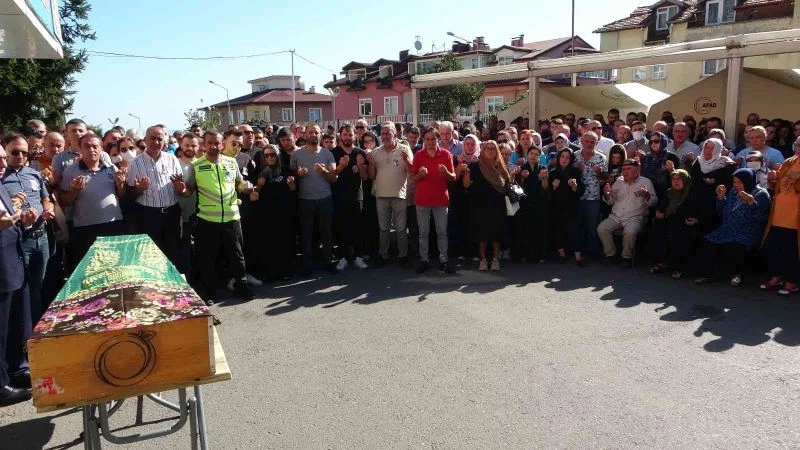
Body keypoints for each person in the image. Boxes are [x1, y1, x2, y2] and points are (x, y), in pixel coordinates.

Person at [185, 131, 257, 304]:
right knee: (207, 257)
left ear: (222, 144)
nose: (213, 146)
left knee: (237, 255)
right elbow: (189, 190)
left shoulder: (231, 162)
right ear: (204, 144)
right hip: (207, 220)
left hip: (232, 218)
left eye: (216, 143)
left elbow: (239, 184)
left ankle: (242, 287)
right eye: (209, 143)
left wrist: (247, 188)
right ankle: (209, 292)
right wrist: (181, 189)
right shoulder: (195, 165)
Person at [1, 134, 56, 324]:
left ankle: (39, 326)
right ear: (5, 150)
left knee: (40, 286)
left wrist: (47, 209)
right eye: (14, 152)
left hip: (41, 238)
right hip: (17, 241)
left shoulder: (33, 173)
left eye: (24, 152)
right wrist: (17, 213)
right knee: (20, 290)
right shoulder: (2, 178)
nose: (20, 156)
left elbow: (45, 199)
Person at [0, 142, 39, 406]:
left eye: (4, 158)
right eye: (0, 159)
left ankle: (16, 370)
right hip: (1, 268)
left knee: (17, 324)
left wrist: (21, 217)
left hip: (13, 263)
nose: (4, 164)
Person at [58, 134, 128, 264]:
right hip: (85, 228)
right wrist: (74, 190)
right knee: (90, 266)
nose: (91, 150)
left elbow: (122, 195)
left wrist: (121, 185)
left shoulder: (112, 168)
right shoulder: (71, 171)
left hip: (113, 224)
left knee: (114, 264)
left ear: (101, 149)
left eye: (95, 146)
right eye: (87, 146)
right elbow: (64, 201)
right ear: (80, 149)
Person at [694, 168, 771, 287]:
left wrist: (751, 203)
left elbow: (762, 217)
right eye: (735, 182)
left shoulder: (760, 194)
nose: (737, 185)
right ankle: (710, 274)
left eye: (740, 182)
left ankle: (739, 274)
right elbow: (723, 212)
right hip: (729, 227)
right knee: (707, 240)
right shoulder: (733, 192)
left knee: (738, 244)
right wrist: (720, 197)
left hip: (749, 229)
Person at [126, 125, 186, 267]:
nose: (156, 142)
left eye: (160, 139)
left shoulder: (171, 159)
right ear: (145, 140)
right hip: (148, 216)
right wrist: (138, 189)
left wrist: (180, 188)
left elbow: (180, 186)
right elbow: (129, 195)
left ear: (164, 141)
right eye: (152, 138)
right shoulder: (135, 163)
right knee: (151, 255)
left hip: (171, 214)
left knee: (173, 253)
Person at [290, 124, 338, 276]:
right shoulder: (296, 154)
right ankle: (307, 265)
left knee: (326, 232)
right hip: (305, 200)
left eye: (316, 132)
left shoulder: (327, 154)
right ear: (305, 134)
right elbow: (291, 177)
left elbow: (334, 178)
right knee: (306, 233)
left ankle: (328, 262)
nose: (313, 134)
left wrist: (324, 171)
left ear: (320, 134)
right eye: (310, 131)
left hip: (325, 199)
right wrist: (298, 175)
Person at [410, 127, 456, 274]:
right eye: (428, 139)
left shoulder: (446, 154)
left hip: (440, 199)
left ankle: (444, 260)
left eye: (433, 139)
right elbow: (413, 178)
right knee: (423, 232)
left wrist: (446, 172)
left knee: (441, 232)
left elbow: (453, 177)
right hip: (422, 199)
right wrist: (421, 174)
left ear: (438, 139)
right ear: (424, 140)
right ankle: (424, 260)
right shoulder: (418, 155)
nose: (430, 142)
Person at [368, 122, 413, 269]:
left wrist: (406, 159)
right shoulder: (375, 152)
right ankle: (384, 255)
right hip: (381, 195)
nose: (385, 136)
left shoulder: (404, 149)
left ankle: (403, 256)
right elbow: (371, 175)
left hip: (400, 194)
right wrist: (371, 164)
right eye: (383, 133)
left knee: (401, 228)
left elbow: (411, 171)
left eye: (388, 133)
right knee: (383, 228)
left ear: (396, 134)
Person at [598, 159, 658, 269]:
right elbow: (610, 201)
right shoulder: (618, 182)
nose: (625, 172)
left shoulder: (646, 182)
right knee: (602, 228)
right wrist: (606, 194)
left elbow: (654, 202)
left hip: (635, 217)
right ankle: (611, 255)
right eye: (623, 169)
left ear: (637, 170)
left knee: (630, 231)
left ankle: (627, 257)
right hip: (616, 216)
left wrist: (647, 195)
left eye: (628, 169)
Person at [461, 140, 510, 271]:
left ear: (496, 152)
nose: (490, 151)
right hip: (479, 204)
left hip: (497, 204)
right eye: (487, 148)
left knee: (496, 234)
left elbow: (507, 183)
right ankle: (483, 259)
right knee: (481, 234)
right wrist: (466, 172)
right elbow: (466, 185)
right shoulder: (475, 166)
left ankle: (495, 259)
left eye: (493, 149)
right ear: (483, 150)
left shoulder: (500, 166)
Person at [760, 137, 800, 295]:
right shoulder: (789, 161)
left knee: (792, 249)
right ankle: (776, 277)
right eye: (797, 144)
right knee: (774, 247)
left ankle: (792, 282)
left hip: (795, 216)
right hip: (779, 212)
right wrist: (772, 178)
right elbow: (777, 185)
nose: (798, 147)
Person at [251, 145, 296, 280]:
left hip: (284, 213)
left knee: (284, 242)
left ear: (278, 155)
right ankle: (271, 272)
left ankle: (285, 271)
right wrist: (259, 186)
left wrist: (291, 184)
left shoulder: (286, 170)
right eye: (266, 155)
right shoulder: (260, 172)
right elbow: (254, 194)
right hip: (267, 214)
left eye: (272, 155)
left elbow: (293, 191)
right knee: (269, 243)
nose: (270, 158)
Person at [649, 169, 702, 279]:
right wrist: (659, 213)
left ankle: (681, 268)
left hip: (687, 223)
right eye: (673, 179)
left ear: (685, 180)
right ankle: (663, 263)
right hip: (671, 222)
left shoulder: (693, 193)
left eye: (679, 179)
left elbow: (700, 211)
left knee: (679, 235)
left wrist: (696, 219)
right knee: (659, 231)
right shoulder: (669, 192)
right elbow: (662, 208)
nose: (676, 182)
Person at [331, 124, 369, 271]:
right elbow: (330, 175)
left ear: (355, 136)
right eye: (345, 134)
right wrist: (340, 166)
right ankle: (343, 257)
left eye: (350, 134)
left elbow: (365, 177)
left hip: (356, 196)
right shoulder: (334, 152)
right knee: (341, 228)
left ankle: (358, 257)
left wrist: (360, 166)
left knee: (357, 228)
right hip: (339, 196)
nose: (347, 137)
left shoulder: (360, 153)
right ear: (340, 136)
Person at [687, 138, 737, 232]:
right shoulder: (698, 162)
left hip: (714, 202)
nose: (709, 151)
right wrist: (704, 181)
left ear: (718, 149)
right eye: (707, 147)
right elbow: (694, 180)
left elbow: (729, 183)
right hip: (697, 200)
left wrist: (716, 182)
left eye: (712, 148)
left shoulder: (726, 164)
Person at [574, 131, 607, 259]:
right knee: (578, 224)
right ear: (582, 141)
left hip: (593, 197)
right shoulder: (574, 156)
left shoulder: (601, 158)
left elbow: (604, 179)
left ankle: (592, 251)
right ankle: (578, 250)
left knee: (592, 225)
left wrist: (600, 173)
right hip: (577, 196)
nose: (589, 144)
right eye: (587, 141)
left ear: (596, 143)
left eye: (592, 142)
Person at [548, 148, 584, 265]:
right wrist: (553, 187)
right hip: (557, 207)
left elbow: (580, 191)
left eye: (567, 157)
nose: (564, 159)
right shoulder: (553, 172)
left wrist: (574, 186)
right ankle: (561, 254)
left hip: (572, 206)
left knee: (574, 231)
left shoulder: (575, 172)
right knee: (558, 231)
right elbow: (548, 193)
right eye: (562, 156)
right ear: (558, 158)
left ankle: (578, 257)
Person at [515, 147, 549, 263]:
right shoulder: (522, 168)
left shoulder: (543, 168)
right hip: (525, 204)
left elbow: (545, 188)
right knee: (525, 229)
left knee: (538, 230)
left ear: (539, 156)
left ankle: (539, 255)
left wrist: (544, 178)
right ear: (527, 155)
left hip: (539, 203)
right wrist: (522, 178)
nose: (533, 156)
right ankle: (524, 254)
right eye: (531, 153)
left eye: (536, 154)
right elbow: (517, 188)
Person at [176, 133, 199, 276]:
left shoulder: (201, 164)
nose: (190, 148)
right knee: (184, 252)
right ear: (181, 146)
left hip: (200, 215)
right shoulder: (174, 164)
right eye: (187, 145)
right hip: (180, 217)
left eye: (193, 145)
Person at [642, 131, 680, 201]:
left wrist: (671, 170)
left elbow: (678, 178)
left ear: (663, 141)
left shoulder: (672, 157)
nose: (653, 143)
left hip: (665, 194)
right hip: (648, 194)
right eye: (651, 142)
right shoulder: (646, 157)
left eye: (656, 141)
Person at [360, 131, 379, 260]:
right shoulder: (361, 154)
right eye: (365, 141)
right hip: (365, 191)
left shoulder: (379, 153)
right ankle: (366, 249)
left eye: (370, 141)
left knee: (377, 222)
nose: (368, 144)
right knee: (366, 221)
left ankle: (377, 249)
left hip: (379, 191)